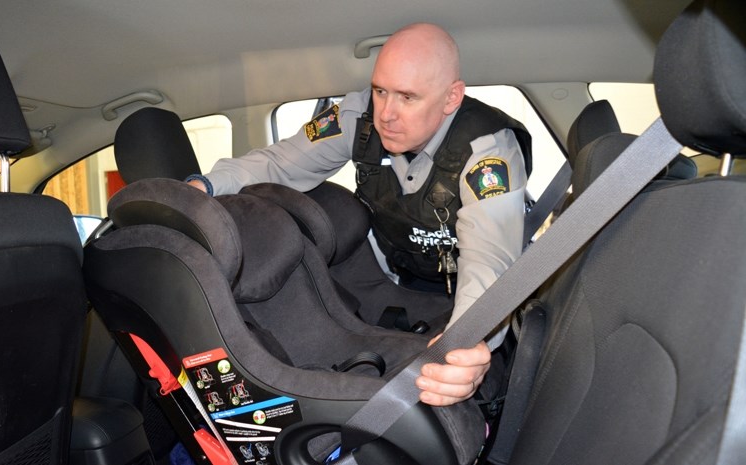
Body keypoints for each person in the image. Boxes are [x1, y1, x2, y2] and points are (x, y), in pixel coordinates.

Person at [187, 22, 531, 407]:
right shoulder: (356, 116)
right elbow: (279, 163)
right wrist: (203, 189)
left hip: (463, 286)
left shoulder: (488, 150)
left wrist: (465, 342)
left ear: (451, 98)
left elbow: (490, 256)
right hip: (396, 275)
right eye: (380, 91)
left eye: (408, 97)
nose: (386, 113)